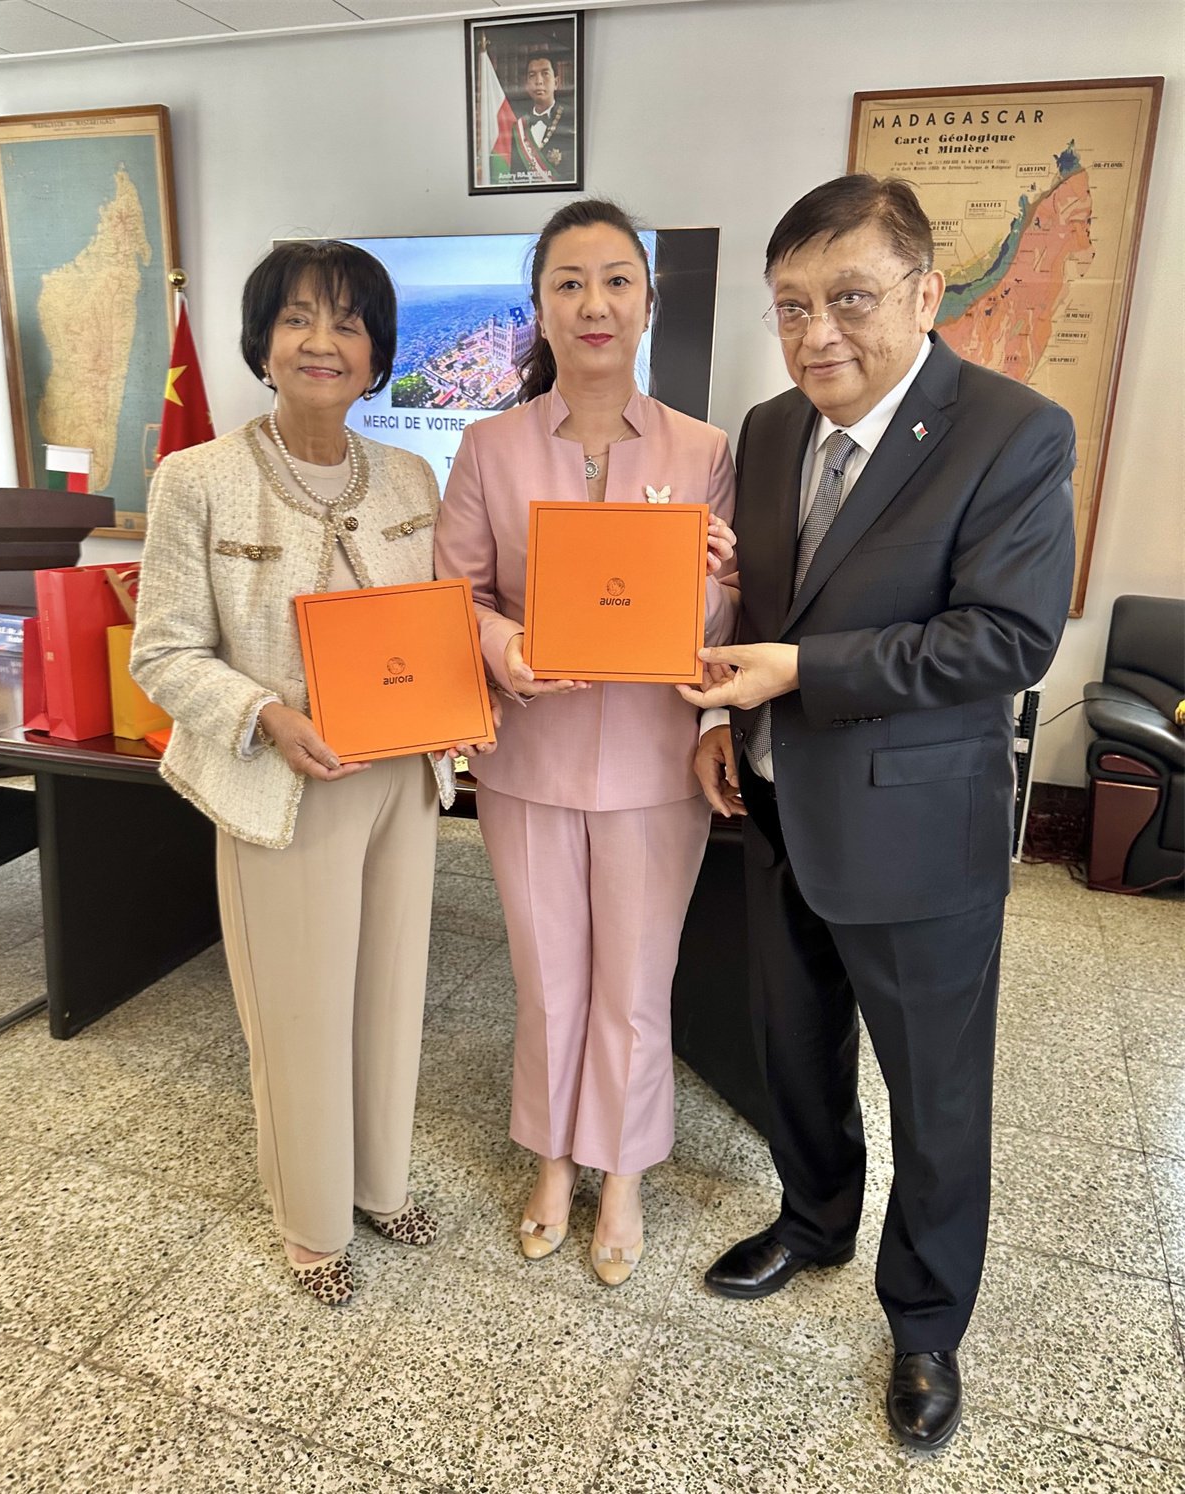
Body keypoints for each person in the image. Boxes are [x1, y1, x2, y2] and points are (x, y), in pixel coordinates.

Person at [679, 175, 1075, 1448]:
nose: (817, 335)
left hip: (916, 832)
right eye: (792, 306)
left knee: (936, 1095)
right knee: (794, 1050)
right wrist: (718, 716)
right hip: (777, 803)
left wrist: (803, 671)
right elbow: (766, 610)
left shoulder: (1012, 432)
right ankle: (813, 1221)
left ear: (923, 293)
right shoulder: (769, 429)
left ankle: (926, 1321)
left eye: (849, 299)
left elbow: (1005, 640)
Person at [131, 240, 494, 1305]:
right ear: (263, 343)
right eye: (296, 317)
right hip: (281, 789)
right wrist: (265, 715)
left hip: (403, 783)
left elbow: (436, 626)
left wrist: (463, 706)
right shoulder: (197, 478)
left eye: (347, 321)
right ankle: (312, 1221)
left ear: (379, 352)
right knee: (298, 1012)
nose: (321, 341)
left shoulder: (410, 476)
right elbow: (163, 652)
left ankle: (380, 1183)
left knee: (389, 997)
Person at [434, 199, 738, 1285]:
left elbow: (724, 625)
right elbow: (455, 596)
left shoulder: (704, 450)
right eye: (569, 283)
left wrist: (716, 578)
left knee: (636, 983)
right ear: (541, 307)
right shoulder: (490, 447)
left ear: (648, 304)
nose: (594, 303)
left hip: (657, 763)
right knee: (549, 977)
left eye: (617, 280)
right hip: (531, 756)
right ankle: (554, 1158)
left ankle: (624, 1174)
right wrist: (504, 645)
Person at [508, 51, 575, 184]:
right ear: (526, 85)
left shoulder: (572, 120)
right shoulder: (518, 126)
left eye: (545, 73)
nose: (538, 81)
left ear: (556, 82)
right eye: (532, 75)